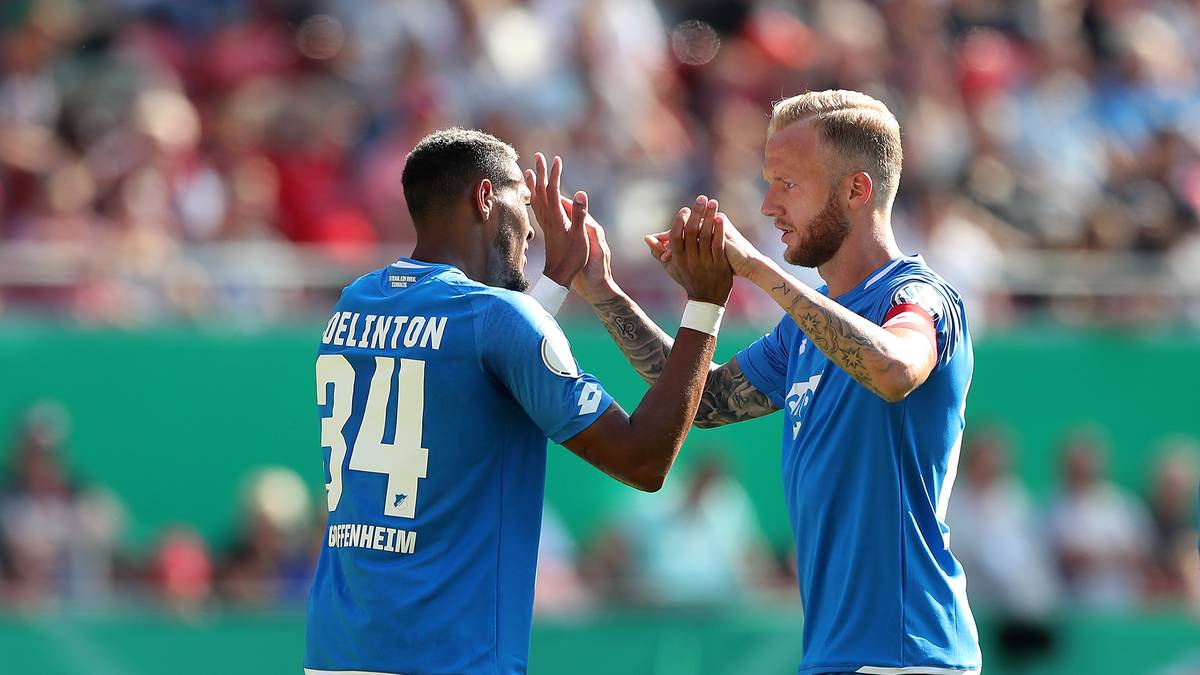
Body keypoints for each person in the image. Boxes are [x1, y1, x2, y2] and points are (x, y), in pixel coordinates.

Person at [570, 91, 982, 674]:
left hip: (907, 653)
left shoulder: (918, 296)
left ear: (856, 190)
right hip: (838, 658)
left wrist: (757, 271)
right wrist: (602, 290)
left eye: (788, 184)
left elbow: (895, 370)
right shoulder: (802, 329)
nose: (768, 206)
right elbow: (704, 400)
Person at [303, 127, 733, 675]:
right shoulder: (498, 320)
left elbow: (473, 353)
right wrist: (705, 304)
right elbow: (643, 459)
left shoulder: (356, 302)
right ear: (485, 198)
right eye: (524, 203)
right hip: (449, 657)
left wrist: (557, 277)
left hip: (338, 651)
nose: (532, 227)